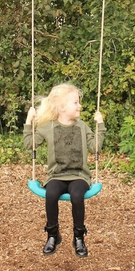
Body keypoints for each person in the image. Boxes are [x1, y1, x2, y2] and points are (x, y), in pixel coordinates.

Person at [24, 83, 105, 257]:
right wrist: (28, 121)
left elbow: (95, 147)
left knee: (77, 196)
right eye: (75, 102)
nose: (80, 106)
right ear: (61, 107)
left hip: (79, 175)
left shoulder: (82, 126)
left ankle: (79, 237)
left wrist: (100, 125)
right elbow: (29, 144)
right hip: (56, 175)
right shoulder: (49, 127)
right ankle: (53, 235)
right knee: (51, 194)